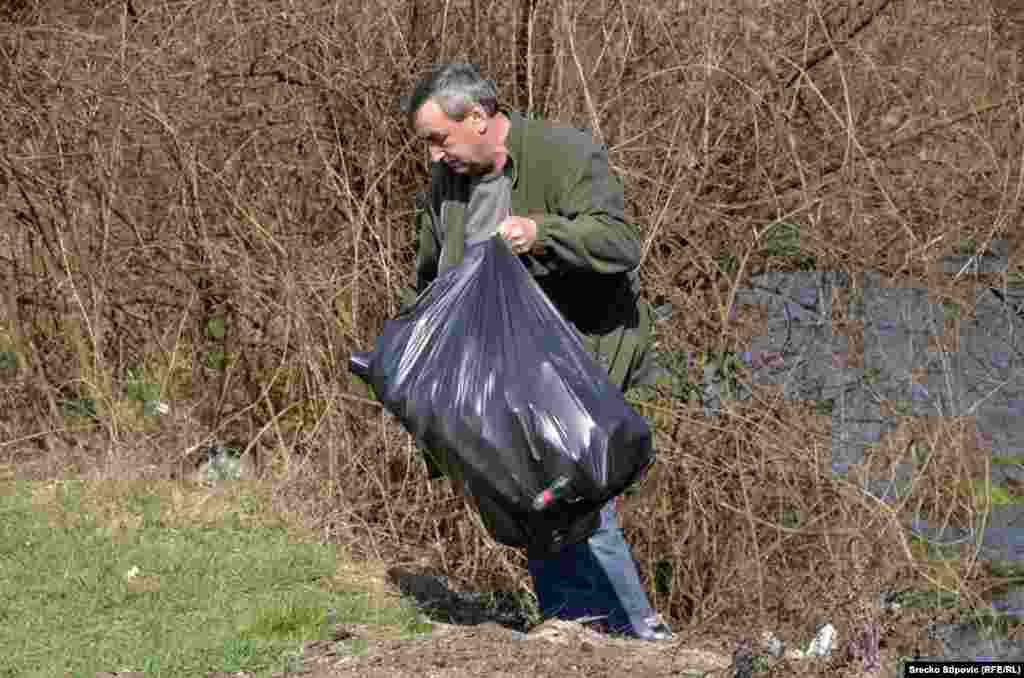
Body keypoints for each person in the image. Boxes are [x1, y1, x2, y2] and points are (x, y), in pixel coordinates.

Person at [400, 64, 672, 641]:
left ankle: (636, 636)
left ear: (478, 117)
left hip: (577, 360)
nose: (434, 155)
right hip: (499, 374)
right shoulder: (449, 184)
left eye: (439, 139)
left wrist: (541, 233)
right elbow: (432, 277)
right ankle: (571, 632)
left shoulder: (563, 153)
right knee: (532, 501)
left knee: (579, 496)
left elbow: (620, 244)